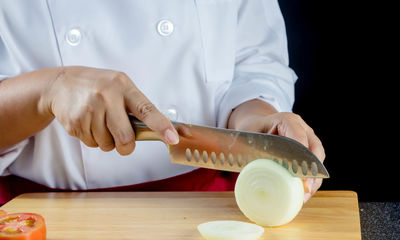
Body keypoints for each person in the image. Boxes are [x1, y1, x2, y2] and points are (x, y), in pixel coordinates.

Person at [0, 0, 325, 204]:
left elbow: (254, 61)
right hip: (43, 220)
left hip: (210, 210)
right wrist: (46, 91)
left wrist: (255, 116)